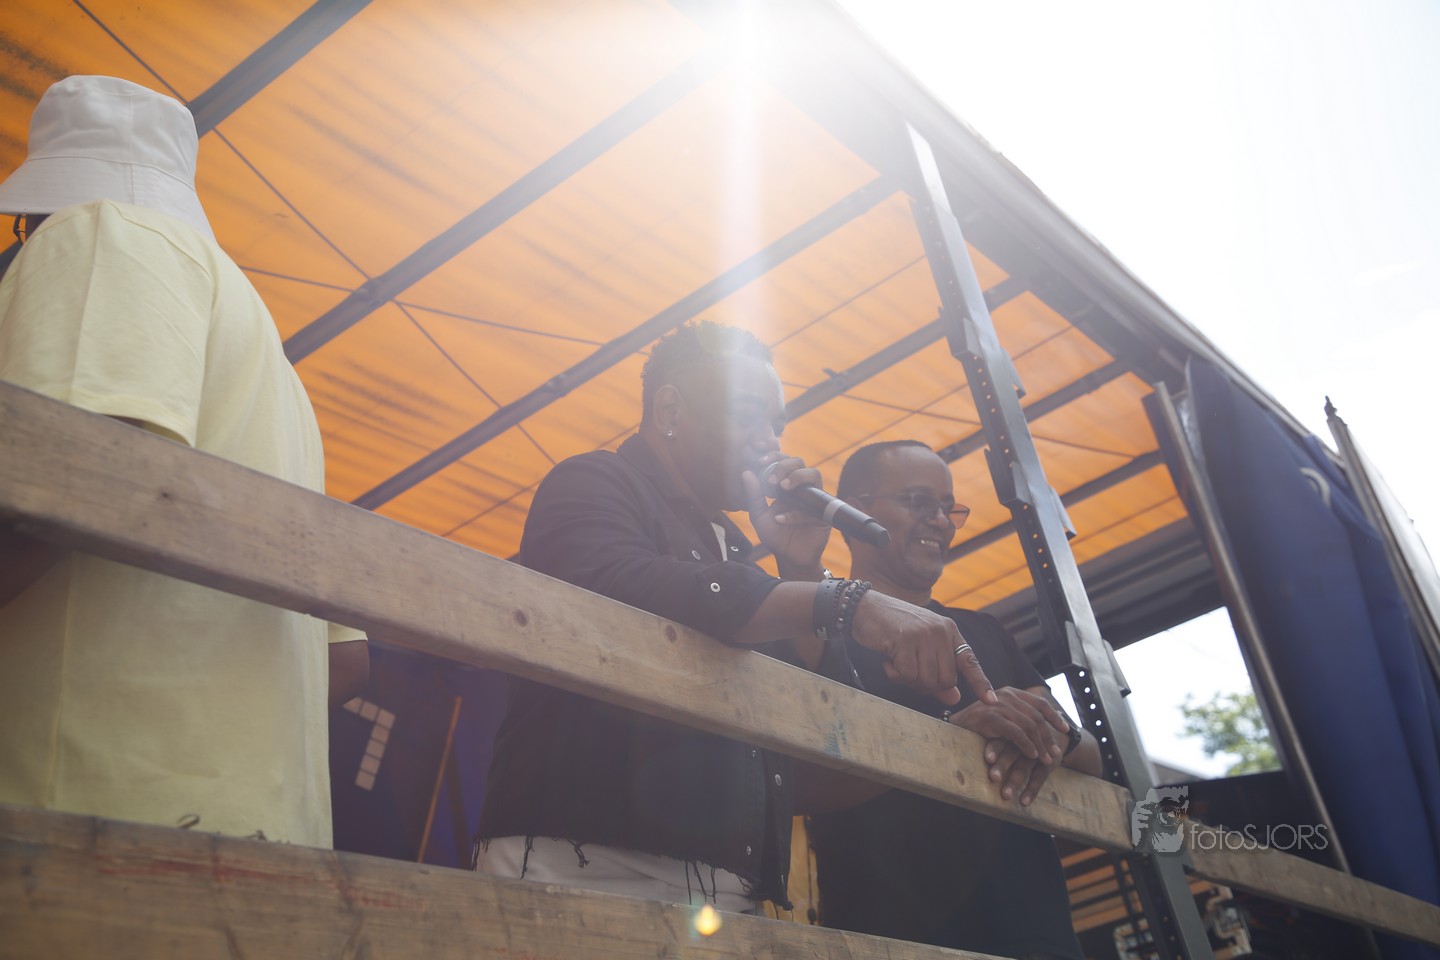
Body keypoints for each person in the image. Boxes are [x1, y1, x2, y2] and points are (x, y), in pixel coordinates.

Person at [474, 321, 1066, 912]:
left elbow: (816, 731)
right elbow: (627, 588)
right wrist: (842, 600)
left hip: (719, 890)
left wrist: (801, 566)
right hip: (586, 857)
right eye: (747, 415)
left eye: (777, 424)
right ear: (670, 409)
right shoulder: (595, 480)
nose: (769, 441)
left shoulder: (737, 553)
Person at [0, 75, 367, 846]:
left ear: (40, 208)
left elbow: (76, 481)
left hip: (84, 815)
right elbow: (348, 663)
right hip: (258, 843)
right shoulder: (277, 374)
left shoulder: (103, 233)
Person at [806, 440, 1102, 960]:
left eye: (949, 508)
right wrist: (953, 737)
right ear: (853, 511)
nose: (941, 520)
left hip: (1034, 932)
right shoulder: (816, 630)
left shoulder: (985, 630)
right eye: (918, 501)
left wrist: (1040, 729)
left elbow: (1091, 756)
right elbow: (800, 779)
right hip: (889, 936)